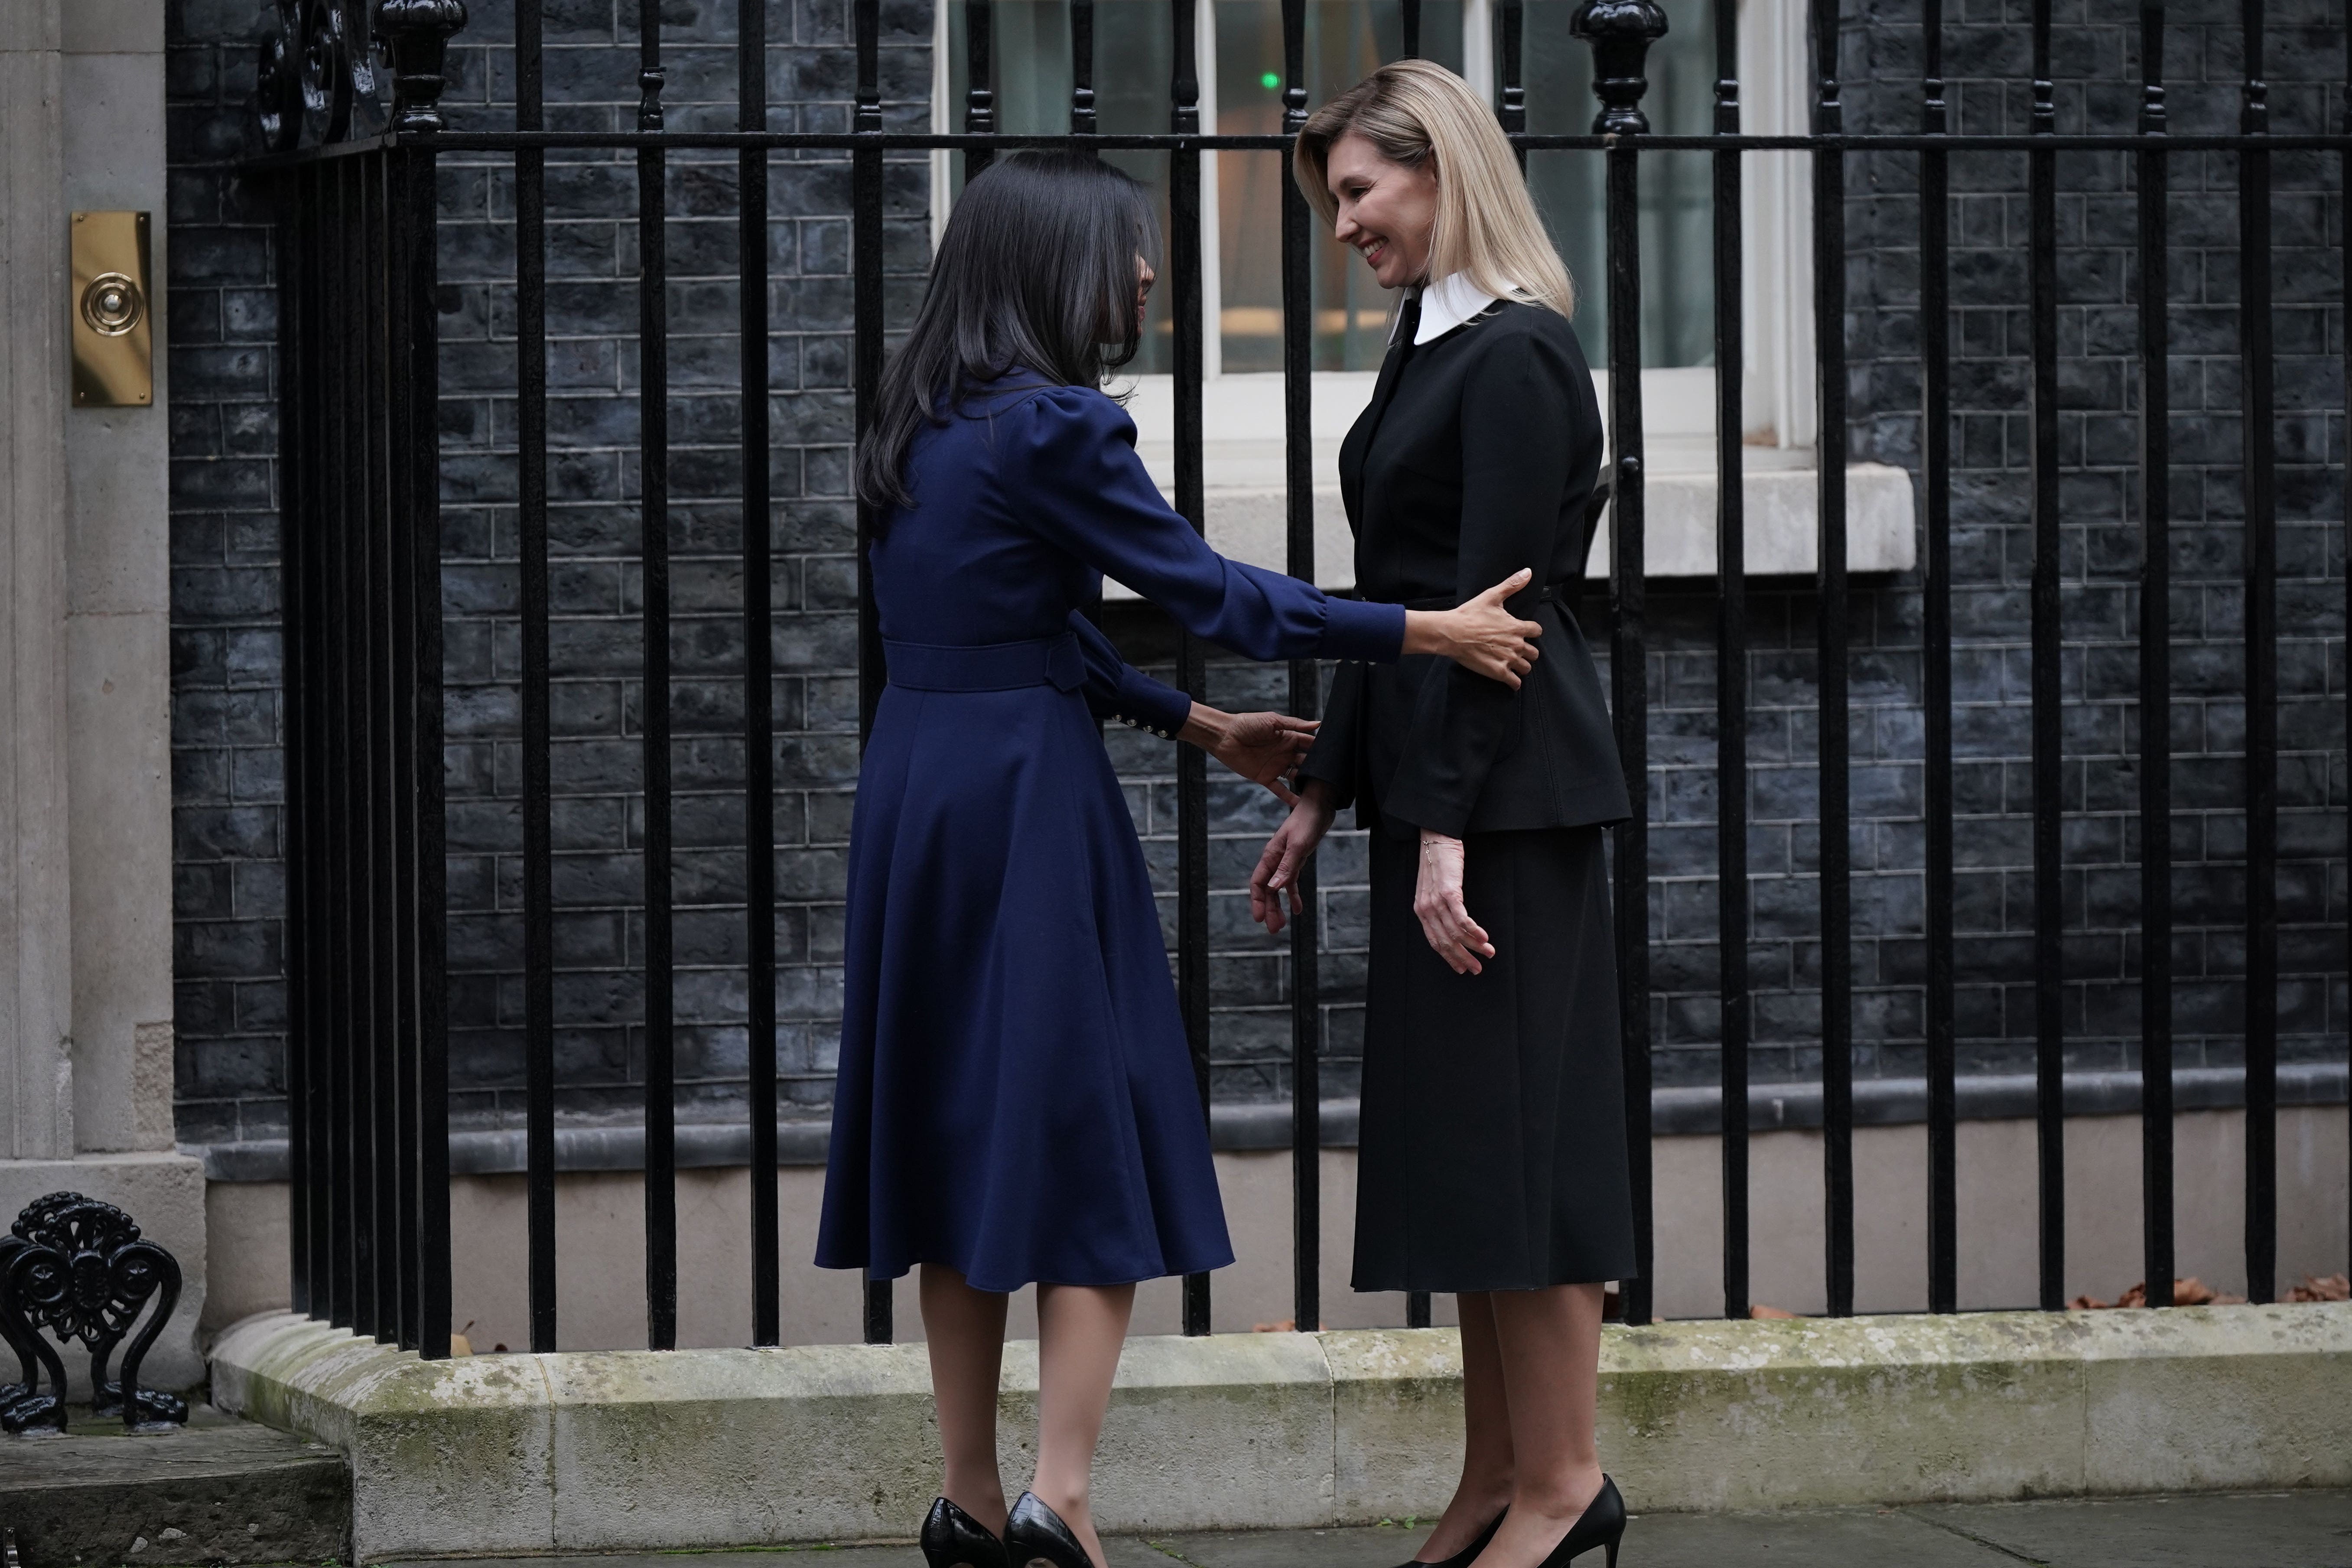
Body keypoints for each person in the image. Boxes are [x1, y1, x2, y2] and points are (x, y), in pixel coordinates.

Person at [814, 150, 1545, 1568]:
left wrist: (1197, 721)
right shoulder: (1061, 427)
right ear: (1057, 262)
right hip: (1026, 800)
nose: (1147, 274)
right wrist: (1423, 630)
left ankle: (967, 1497)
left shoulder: (917, 423)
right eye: (1131, 249)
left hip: (916, 787)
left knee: (953, 1133)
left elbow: (1032, 624)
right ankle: (1060, 1495)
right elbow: (1207, 589)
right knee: (1086, 1124)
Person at [1247, 61, 1639, 1568]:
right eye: (1334, 199)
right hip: (1436, 786)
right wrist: (1324, 791)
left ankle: (1563, 1487)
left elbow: (1497, 617)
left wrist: (1445, 833)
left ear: (1440, 171)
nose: (1342, 223)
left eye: (1358, 190)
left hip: (1509, 801)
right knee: (1477, 1151)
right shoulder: (1429, 343)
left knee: (1528, 1146)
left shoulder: (1521, 355)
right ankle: (1495, 1481)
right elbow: (1389, 601)